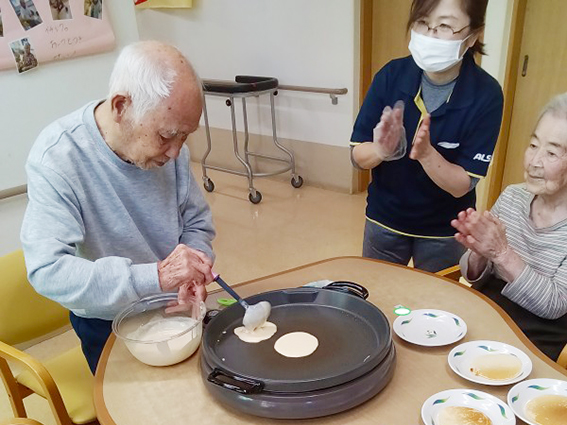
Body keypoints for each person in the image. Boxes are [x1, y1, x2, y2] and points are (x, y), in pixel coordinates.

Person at [20, 41, 216, 373]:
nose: (175, 152)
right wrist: (157, 276)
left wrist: (193, 264)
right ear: (121, 107)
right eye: (167, 135)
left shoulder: (172, 148)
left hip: (173, 306)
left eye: (185, 136)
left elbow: (195, 220)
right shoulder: (58, 158)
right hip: (107, 320)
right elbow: (47, 270)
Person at [350, 0, 503, 272]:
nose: (430, 35)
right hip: (385, 219)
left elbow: (461, 185)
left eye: (444, 25)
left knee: (435, 308)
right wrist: (381, 151)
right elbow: (357, 156)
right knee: (378, 296)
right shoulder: (391, 76)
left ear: (474, 35)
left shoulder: (486, 95)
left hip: (444, 230)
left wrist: (427, 155)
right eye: (422, 22)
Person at [452, 93, 567, 361]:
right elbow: (472, 276)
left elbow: (553, 305)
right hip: (487, 314)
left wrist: (502, 254)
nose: (534, 162)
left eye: (551, 152)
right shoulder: (514, 195)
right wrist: (479, 252)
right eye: (533, 145)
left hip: (537, 337)